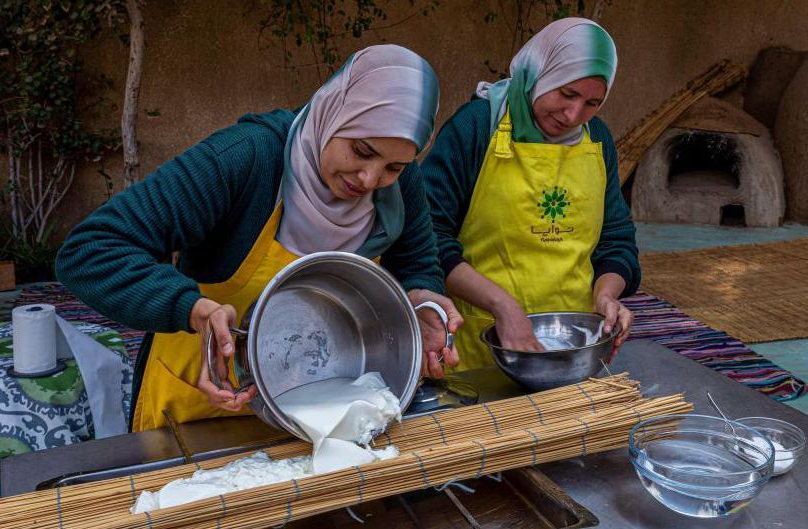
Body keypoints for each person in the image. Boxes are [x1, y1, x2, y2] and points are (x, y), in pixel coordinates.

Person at [56, 44, 462, 431]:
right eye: (361, 151)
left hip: (317, 413)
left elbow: (416, 262)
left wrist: (421, 299)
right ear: (333, 114)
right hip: (203, 408)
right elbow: (91, 250)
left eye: (393, 167)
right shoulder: (243, 159)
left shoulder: (398, 185)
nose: (370, 180)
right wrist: (191, 308)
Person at [421, 18, 640, 383]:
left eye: (592, 103)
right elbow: (429, 238)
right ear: (540, 73)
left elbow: (616, 239)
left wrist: (606, 295)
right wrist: (503, 305)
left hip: (571, 346)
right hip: (481, 343)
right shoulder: (476, 127)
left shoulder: (597, 138)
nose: (573, 115)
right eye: (566, 94)